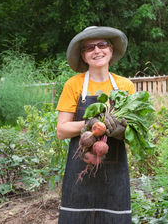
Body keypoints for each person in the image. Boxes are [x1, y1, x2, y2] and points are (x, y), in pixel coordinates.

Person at [56, 26, 135, 223]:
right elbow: (61, 130)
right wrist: (89, 124)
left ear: (111, 50)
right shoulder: (73, 85)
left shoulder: (125, 86)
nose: (97, 50)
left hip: (114, 175)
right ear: (83, 56)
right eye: (89, 47)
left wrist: (120, 132)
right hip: (79, 171)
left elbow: (136, 133)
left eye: (102, 45)